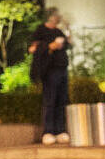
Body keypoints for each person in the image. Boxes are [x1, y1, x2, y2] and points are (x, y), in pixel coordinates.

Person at [30, 8, 73, 145]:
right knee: (50, 100)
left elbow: (68, 45)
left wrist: (68, 35)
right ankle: (48, 131)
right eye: (57, 15)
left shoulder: (59, 31)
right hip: (50, 70)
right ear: (51, 17)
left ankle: (60, 130)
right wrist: (50, 46)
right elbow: (33, 49)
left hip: (62, 69)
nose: (59, 17)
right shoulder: (40, 31)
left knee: (62, 100)